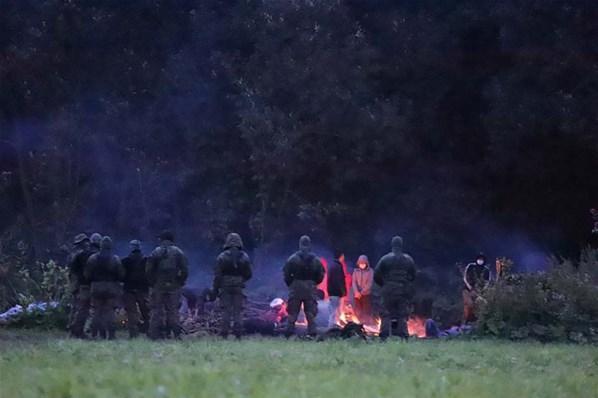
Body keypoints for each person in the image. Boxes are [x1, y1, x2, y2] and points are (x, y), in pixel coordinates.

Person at [146, 231, 189, 339]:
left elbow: (148, 270)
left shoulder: (155, 252)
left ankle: (155, 334)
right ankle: (176, 333)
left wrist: (153, 282)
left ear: (162, 239)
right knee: (173, 310)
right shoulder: (179, 252)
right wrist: (180, 281)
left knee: (156, 310)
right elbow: (185, 270)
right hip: (174, 286)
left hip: (158, 285)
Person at [374, 236, 416, 339]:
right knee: (402, 314)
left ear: (392, 245)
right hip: (402, 290)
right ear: (401, 245)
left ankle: (384, 335)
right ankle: (403, 335)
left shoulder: (385, 259)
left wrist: (383, 284)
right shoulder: (408, 259)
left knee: (386, 314)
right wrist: (406, 283)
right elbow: (413, 275)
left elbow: (376, 275)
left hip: (388, 290)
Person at [283, 235, 325, 337]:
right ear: (310, 245)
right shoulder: (316, 260)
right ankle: (312, 333)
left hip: (296, 286)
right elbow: (321, 275)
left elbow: (286, 273)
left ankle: (289, 333)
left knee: (293, 312)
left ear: (300, 244)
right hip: (310, 287)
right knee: (310, 312)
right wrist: (314, 283)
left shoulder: (292, 259)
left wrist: (291, 284)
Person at [212, 233, 253, 338]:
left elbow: (217, 275)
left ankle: (224, 333)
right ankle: (238, 333)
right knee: (238, 310)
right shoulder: (244, 256)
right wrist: (241, 280)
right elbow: (249, 274)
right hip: (239, 286)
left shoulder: (221, 256)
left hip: (225, 286)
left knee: (226, 310)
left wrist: (215, 289)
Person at [84, 236, 124, 339]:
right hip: (111, 287)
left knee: (96, 311)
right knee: (109, 311)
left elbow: (87, 275)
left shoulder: (93, 258)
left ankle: (95, 334)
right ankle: (111, 334)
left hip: (96, 287)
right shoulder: (115, 259)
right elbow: (121, 275)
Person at [122, 240, 150, 338]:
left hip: (129, 290)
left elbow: (121, 275)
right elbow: (150, 274)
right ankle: (149, 331)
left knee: (131, 312)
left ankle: (133, 334)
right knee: (146, 311)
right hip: (143, 290)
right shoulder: (146, 260)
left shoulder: (125, 261)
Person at [67, 233, 90, 338]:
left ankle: (73, 330)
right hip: (81, 285)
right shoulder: (81, 255)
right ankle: (77, 331)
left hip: (75, 284)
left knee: (76, 307)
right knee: (82, 308)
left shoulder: (73, 254)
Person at [462, 253, 491, 323]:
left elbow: (488, 281)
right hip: (468, 289)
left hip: (479, 291)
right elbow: (465, 277)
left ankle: (475, 321)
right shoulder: (471, 266)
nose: (480, 261)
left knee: (479, 305)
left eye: (482, 259)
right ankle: (466, 321)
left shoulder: (486, 270)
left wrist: (483, 289)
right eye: (479, 259)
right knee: (469, 304)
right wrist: (469, 286)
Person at [327, 249, 347, 329]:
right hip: (336, 293)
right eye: (343, 256)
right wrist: (343, 292)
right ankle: (331, 329)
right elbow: (339, 281)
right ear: (341, 256)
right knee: (334, 312)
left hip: (332, 292)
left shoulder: (332, 265)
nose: (344, 258)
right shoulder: (338, 266)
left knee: (335, 312)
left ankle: (334, 327)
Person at [352, 254, 374, 325]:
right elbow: (353, 282)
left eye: (363, 263)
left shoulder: (370, 271)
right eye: (360, 263)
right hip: (357, 296)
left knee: (366, 311)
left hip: (366, 295)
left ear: (366, 263)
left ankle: (367, 326)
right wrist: (356, 292)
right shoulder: (355, 271)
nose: (362, 264)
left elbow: (369, 283)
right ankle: (359, 325)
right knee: (358, 311)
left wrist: (361, 292)